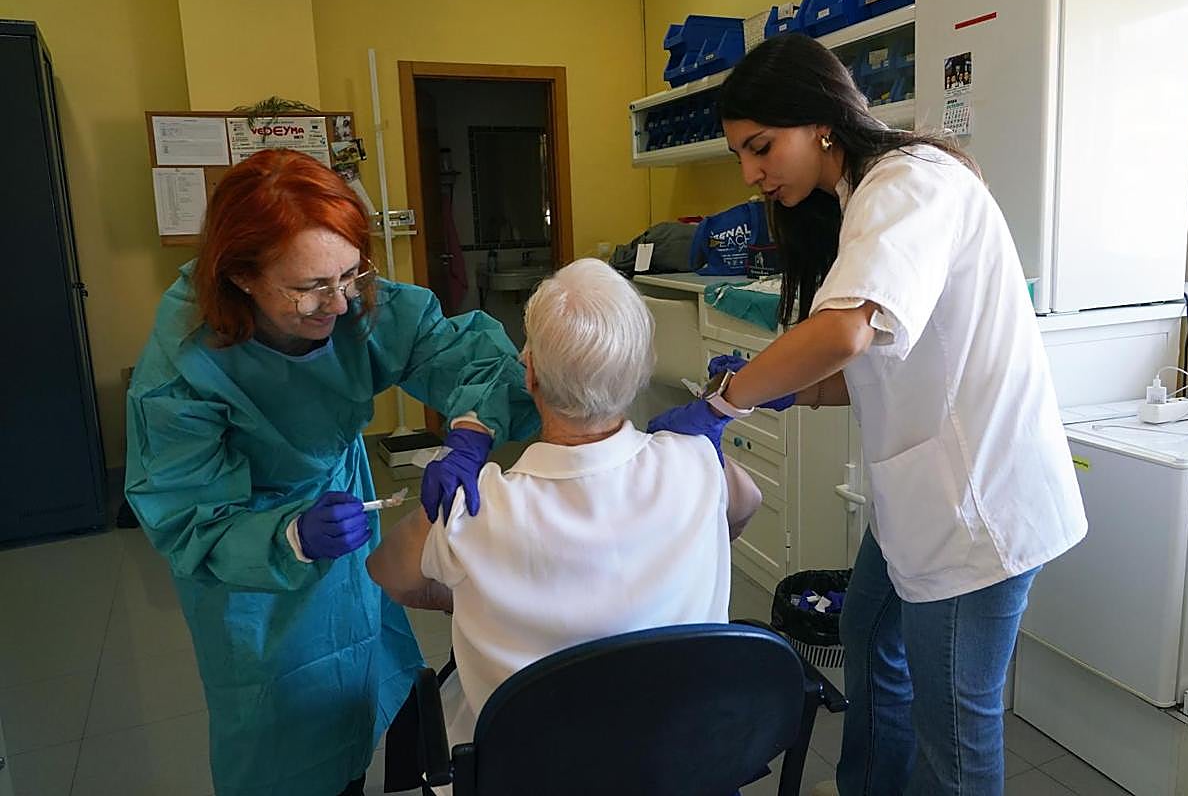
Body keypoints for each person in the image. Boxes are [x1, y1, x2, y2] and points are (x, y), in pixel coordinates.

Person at [647, 33, 1087, 796]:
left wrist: (729, 399)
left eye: (760, 147)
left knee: (956, 722)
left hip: (976, 508)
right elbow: (879, 364)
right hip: (921, 494)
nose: (751, 175)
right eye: (740, 157)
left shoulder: (908, 185)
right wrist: (792, 385)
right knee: (869, 632)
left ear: (818, 119)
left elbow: (847, 331)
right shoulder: (859, 201)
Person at [125, 149, 538, 796]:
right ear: (240, 277)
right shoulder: (182, 372)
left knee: (381, 677)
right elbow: (187, 515)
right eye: (310, 287)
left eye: (351, 274)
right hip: (253, 566)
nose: (340, 307)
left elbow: (459, 353)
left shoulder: (353, 300)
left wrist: (471, 430)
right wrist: (290, 537)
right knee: (286, 739)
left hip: (347, 528)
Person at [365, 258, 763, 763]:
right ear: (642, 373)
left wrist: (475, 589)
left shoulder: (473, 507)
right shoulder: (695, 464)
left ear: (527, 373)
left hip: (531, 770)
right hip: (682, 762)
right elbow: (745, 505)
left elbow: (388, 572)